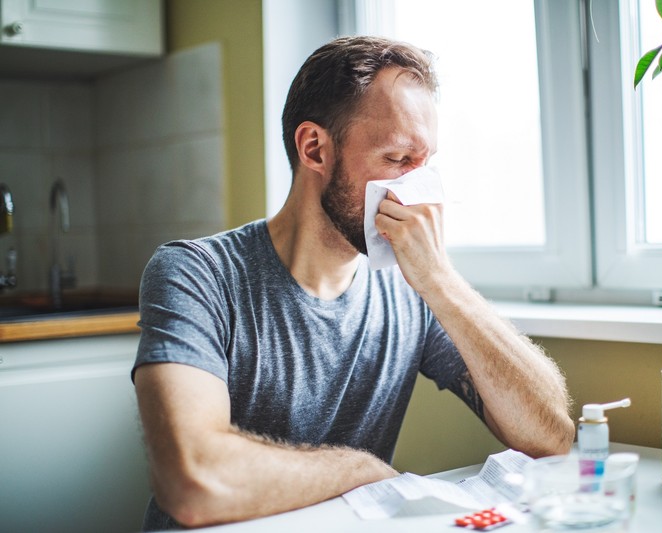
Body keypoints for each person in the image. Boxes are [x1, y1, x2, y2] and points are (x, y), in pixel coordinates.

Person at [132, 35, 575, 530]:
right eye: (396, 160)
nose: (417, 192)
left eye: (424, 164)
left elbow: (549, 436)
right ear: (314, 148)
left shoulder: (412, 287)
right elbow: (193, 482)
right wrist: (359, 469)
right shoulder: (196, 274)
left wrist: (442, 282)